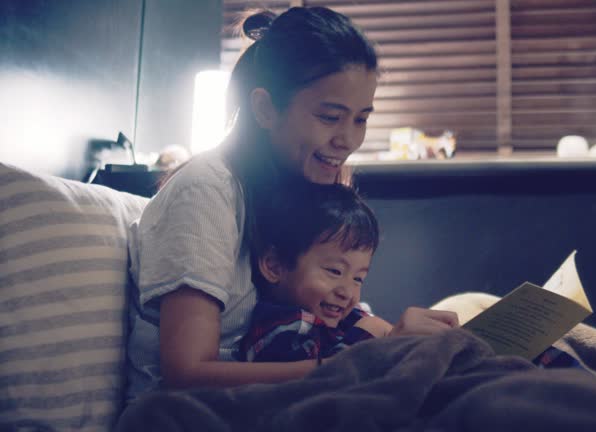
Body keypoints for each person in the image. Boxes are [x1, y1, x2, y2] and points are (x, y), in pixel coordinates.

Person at [125, 6, 458, 402]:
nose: (348, 140)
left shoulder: (302, 186)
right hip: (196, 412)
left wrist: (399, 340)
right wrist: (360, 364)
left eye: (361, 119)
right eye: (330, 116)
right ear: (265, 108)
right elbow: (186, 373)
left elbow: (337, 323)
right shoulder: (204, 193)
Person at [240, 182, 386, 364]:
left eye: (358, 279)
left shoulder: (342, 315)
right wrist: (368, 333)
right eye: (335, 271)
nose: (346, 293)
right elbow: (315, 382)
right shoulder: (282, 328)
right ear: (274, 266)